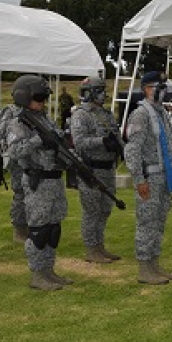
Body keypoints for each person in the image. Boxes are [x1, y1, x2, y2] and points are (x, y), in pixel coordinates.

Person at [6, 75, 73, 290]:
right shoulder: (18, 122)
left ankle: (49, 270)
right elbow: (14, 151)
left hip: (54, 180)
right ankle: (37, 274)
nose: (43, 101)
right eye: (39, 96)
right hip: (38, 181)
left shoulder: (44, 118)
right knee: (39, 229)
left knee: (53, 228)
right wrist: (37, 140)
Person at [124, 71, 172, 285]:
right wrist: (139, 179)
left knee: (159, 221)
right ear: (147, 89)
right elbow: (132, 151)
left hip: (164, 176)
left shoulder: (162, 113)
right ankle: (144, 268)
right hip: (149, 176)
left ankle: (154, 264)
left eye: (163, 87)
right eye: (158, 87)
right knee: (147, 222)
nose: (162, 91)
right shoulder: (140, 115)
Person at [70, 76, 124, 264]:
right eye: (99, 90)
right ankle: (91, 249)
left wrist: (119, 146)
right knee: (91, 211)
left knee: (105, 209)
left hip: (108, 169)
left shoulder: (106, 114)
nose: (103, 94)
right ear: (90, 93)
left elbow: (116, 136)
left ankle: (100, 246)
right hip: (91, 170)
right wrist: (102, 142)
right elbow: (79, 142)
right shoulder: (81, 115)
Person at [0, 98, 29, 243]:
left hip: (33, 158)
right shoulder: (10, 111)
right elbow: (1, 133)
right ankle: (19, 228)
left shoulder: (35, 110)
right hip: (18, 159)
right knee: (20, 193)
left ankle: (31, 226)